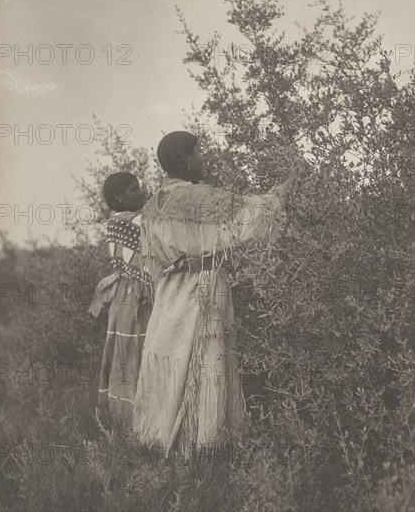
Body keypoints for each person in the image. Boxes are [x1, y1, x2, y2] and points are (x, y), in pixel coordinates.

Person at [132, 131, 302, 458]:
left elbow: (149, 262)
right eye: (199, 153)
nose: (202, 160)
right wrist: (284, 190)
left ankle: (163, 442)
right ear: (185, 160)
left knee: (171, 360)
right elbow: (251, 214)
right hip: (204, 287)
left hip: (168, 294)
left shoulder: (151, 207)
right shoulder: (202, 198)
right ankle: (206, 446)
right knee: (207, 360)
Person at [89, 172, 152, 431]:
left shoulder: (117, 222)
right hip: (137, 297)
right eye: (133, 190)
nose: (140, 193)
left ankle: (127, 423)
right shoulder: (134, 222)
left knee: (127, 355)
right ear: (119, 196)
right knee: (138, 352)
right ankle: (140, 424)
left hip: (124, 297)